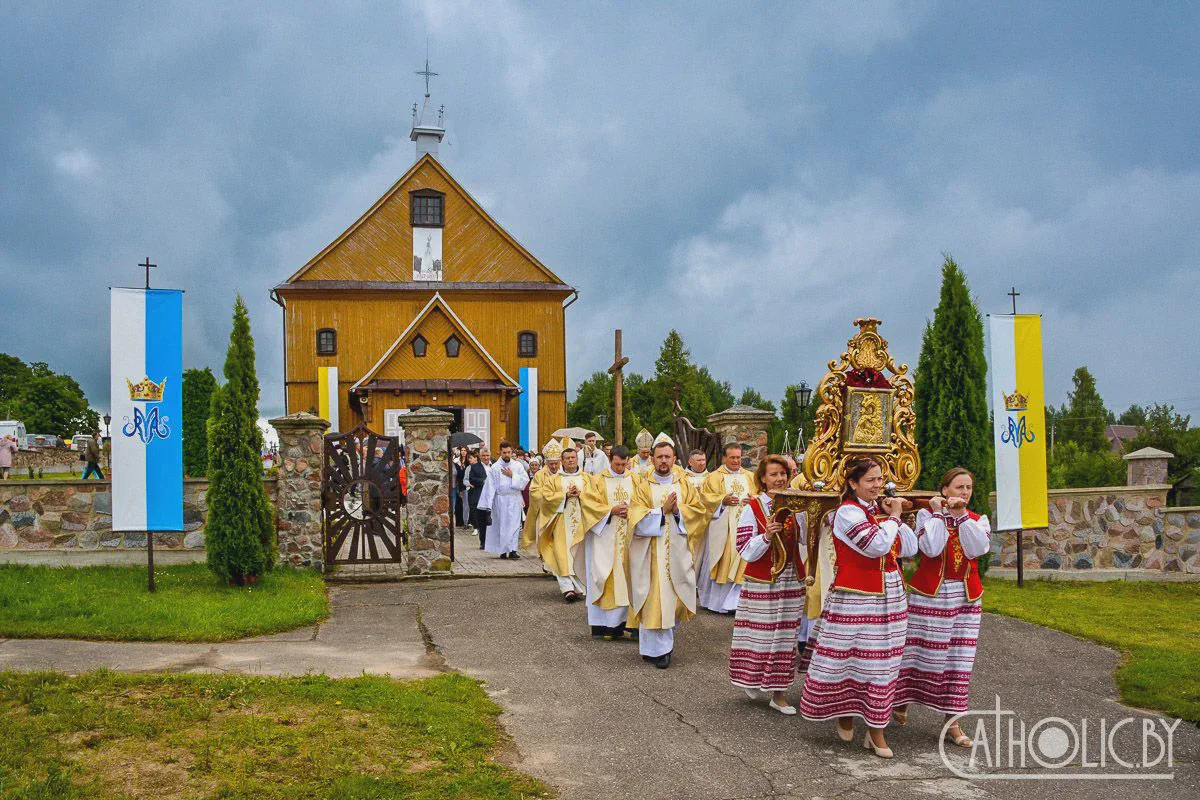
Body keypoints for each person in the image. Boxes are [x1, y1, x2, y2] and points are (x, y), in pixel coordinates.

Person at [799, 458, 916, 759]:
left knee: (882, 663)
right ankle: (845, 711)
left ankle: (875, 728)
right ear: (853, 483)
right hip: (856, 596)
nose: (878, 485)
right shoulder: (847, 513)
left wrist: (899, 519)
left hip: (889, 593)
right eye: (871, 480)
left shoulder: (878, 511)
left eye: (880, 479)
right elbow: (876, 545)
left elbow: (911, 549)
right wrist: (895, 517)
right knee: (850, 659)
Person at [894, 467, 991, 747]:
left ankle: (953, 722)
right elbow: (931, 549)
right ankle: (902, 702)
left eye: (969, 487)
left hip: (966, 598)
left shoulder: (977, 520)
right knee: (919, 653)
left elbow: (976, 550)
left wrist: (960, 517)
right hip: (931, 596)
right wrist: (938, 513)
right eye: (959, 487)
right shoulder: (927, 516)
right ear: (945, 490)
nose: (964, 492)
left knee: (958, 661)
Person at [729, 455, 807, 715]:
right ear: (763, 478)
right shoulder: (753, 508)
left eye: (783, 474)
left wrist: (808, 514)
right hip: (763, 581)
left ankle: (779, 694)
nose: (780, 478)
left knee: (786, 637)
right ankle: (752, 677)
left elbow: (806, 539)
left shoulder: (796, 505)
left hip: (790, 579)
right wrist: (766, 536)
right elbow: (744, 549)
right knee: (760, 636)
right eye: (773, 474)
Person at [627, 434, 707, 668]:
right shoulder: (643, 486)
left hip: (679, 552)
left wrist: (679, 511)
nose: (664, 461)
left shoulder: (684, 485)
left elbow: (699, 512)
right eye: (659, 456)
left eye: (668, 457)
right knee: (654, 599)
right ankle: (661, 651)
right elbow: (635, 518)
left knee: (674, 598)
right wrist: (661, 511)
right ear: (652, 459)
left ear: (675, 459)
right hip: (651, 553)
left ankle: (653, 648)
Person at [572, 444, 636, 639]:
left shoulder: (636, 480)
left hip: (630, 538)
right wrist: (611, 511)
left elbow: (645, 502)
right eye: (616, 464)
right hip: (604, 537)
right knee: (604, 577)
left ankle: (631, 625)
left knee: (630, 579)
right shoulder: (597, 481)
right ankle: (606, 625)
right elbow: (588, 505)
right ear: (610, 460)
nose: (620, 468)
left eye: (623, 464)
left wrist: (631, 509)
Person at [523, 438, 591, 600]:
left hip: (581, 524)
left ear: (577, 459)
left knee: (580, 554)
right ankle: (567, 588)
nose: (570, 460)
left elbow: (596, 497)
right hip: (559, 523)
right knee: (562, 553)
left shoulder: (587, 478)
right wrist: (565, 496)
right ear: (562, 461)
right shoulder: (553, 480)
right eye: (567, 458)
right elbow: (545, 497)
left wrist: (581, 495)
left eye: (573, 458)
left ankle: (582, 587)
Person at [697, 443, 756, 614]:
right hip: (723, 529)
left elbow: (760, 495)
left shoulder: (751, 477)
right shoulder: (714, 477)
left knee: (744, 562)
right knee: (723, 561)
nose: (736, 461)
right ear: (724, 458)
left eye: (738, 457)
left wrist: (753, 500)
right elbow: (705, 500)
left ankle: (738, 603)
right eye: (732, 457)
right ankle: (717, 603)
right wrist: (722, 501)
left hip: (746, 528)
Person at [483, 442, 527, 558]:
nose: (507, 455)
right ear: (500, 452)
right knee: (501, 524)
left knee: (514, 525)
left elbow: (525, 481)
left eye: (509, 452)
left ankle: (513, 549)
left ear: (512, 452)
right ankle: (502, 550)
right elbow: (490, 487)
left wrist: (513, 475)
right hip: (500, 500)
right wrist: (488, 505)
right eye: (504, 453)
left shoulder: (518, 466)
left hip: (514, 498)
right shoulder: (495, 468)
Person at [468, 447, 492, 549]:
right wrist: (483, 481)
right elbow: (471, 479)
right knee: (482, 521)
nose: (486, 458)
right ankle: (483, 542)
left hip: (493, 497)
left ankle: (492, 541)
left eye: (487, 456)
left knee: (492, 520)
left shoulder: (494, 465)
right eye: (484, 456)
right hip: (480, 496)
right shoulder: (475, 467)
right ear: (480, 456)